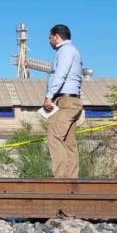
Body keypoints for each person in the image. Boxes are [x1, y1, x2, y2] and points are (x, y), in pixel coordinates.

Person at [42, 24, 84, 179]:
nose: (49, 41)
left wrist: (49, 96)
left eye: (50, 37)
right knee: (68, 142)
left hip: (66, 101)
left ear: (56, 36)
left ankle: (60, 179)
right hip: (72, 101)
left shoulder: (65, 51)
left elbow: (60, 74)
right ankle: (72, 180)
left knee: (54, 136)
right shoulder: (73, 51)